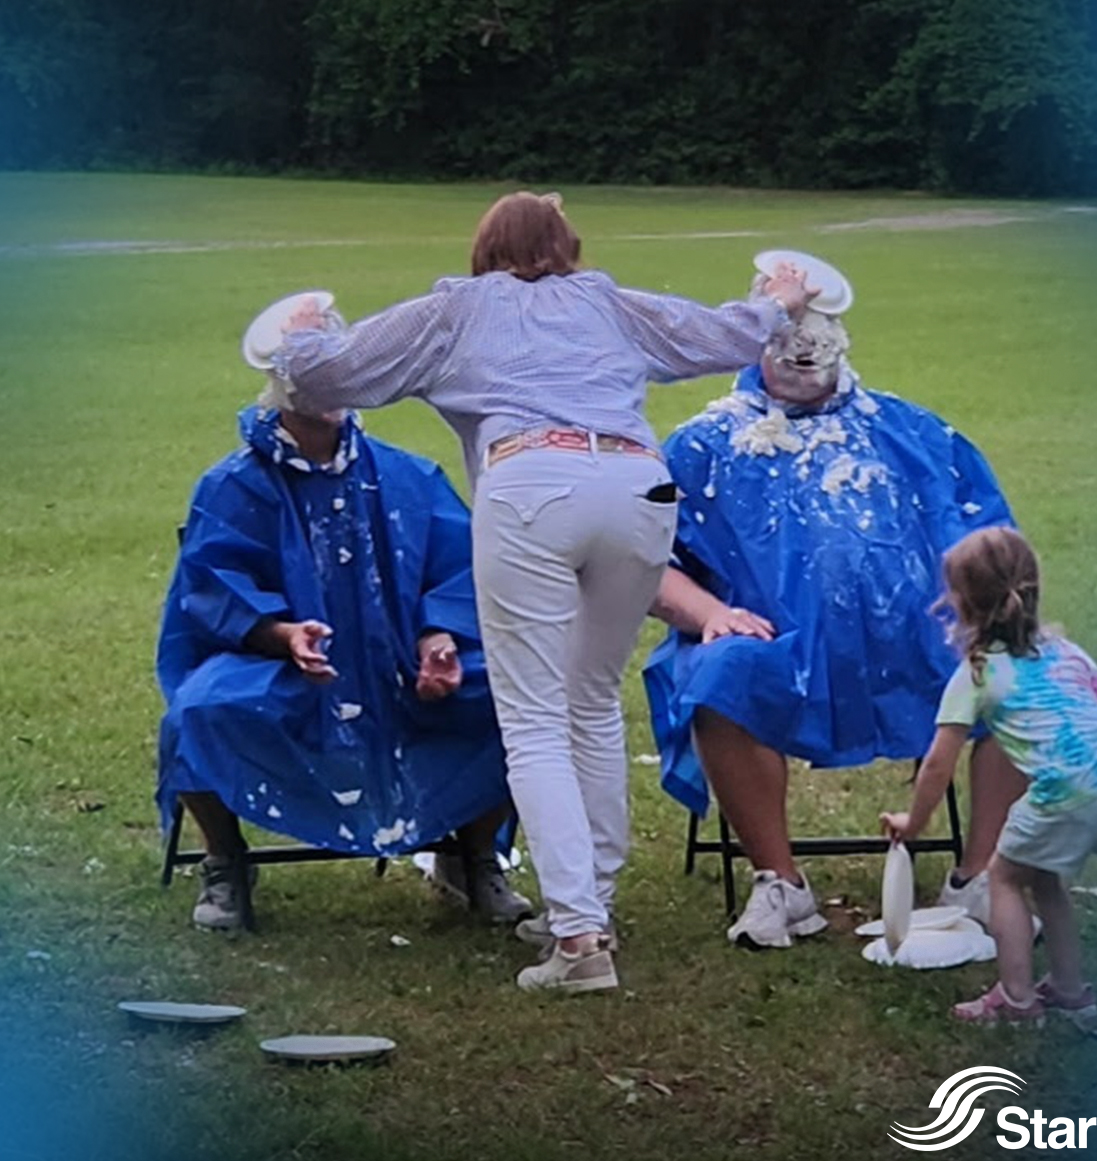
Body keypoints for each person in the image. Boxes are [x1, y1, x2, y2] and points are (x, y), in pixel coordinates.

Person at [271, 191, 817, 991]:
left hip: (531, 482)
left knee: (530, 718)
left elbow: (328, 372)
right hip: (639, 486)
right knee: (591, 698)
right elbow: (718, 333)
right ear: (568, 247)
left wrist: (303, 330)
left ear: (483, 250)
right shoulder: (606, 300)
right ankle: (591, 899)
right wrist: (777, 303)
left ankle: (578, 939)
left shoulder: (456, 309)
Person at [644, 278, 1026, 949]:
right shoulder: (701, 443)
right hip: (776, 642)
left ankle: (980, 876)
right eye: (788, 351)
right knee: (722, 670)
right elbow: (645, 562)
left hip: (917, 638)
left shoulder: (912, 430)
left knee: (1017, 670)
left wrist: (988, 612)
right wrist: (708, 613)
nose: (802, 365)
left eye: (815, 352)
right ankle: (781, 885)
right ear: (758, 346)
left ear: (841, 348)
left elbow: (987, 532)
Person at [156, 301, 529, 931]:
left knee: (517, 696)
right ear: (283, 383)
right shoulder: (232, 486)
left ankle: (472, 856)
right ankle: (225, 860)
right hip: (290, 673)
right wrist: (281, 635)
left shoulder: (408, 476)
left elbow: (459, 566)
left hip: (398, 666)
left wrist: (437, 637)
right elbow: (212, 587)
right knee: (197, 713)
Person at [882, 527, 1097, 1026]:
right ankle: (1070, 991)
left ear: (961, 604)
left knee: (1003, 877)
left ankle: (1017, 999)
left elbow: (938, 763)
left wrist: (912, 821)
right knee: (1045, 878)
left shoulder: (977, 673)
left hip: (1069, 789)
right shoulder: (1070, 652)